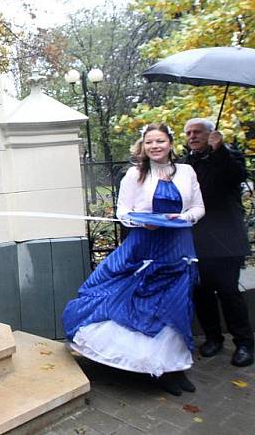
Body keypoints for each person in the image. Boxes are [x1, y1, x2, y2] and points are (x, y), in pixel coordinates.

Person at [63, 123, 205, 396]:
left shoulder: (187, 172)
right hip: (145, 246)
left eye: (160, 141)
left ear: (170, 143)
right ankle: (158, 369)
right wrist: (144, 224)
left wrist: (185, 218)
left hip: (178, 246)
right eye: (149, 142)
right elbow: (124, 212)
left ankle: (176, 367)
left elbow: (198, 207)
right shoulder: (134, 175)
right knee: (146, 304)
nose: (155, 146)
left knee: (176, 303)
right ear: (143, 146)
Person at [182, 118, 254, 367]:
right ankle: (213, 337)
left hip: (225, 240)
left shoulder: (229, 156)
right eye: (188, 133)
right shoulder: (186, 163)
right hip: (197, 239)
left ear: (212, 134)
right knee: (201, 291)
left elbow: (236, 175)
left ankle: (244, 343)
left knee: (228, 291)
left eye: (197, 132)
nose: (192, 136)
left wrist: (219, 150)